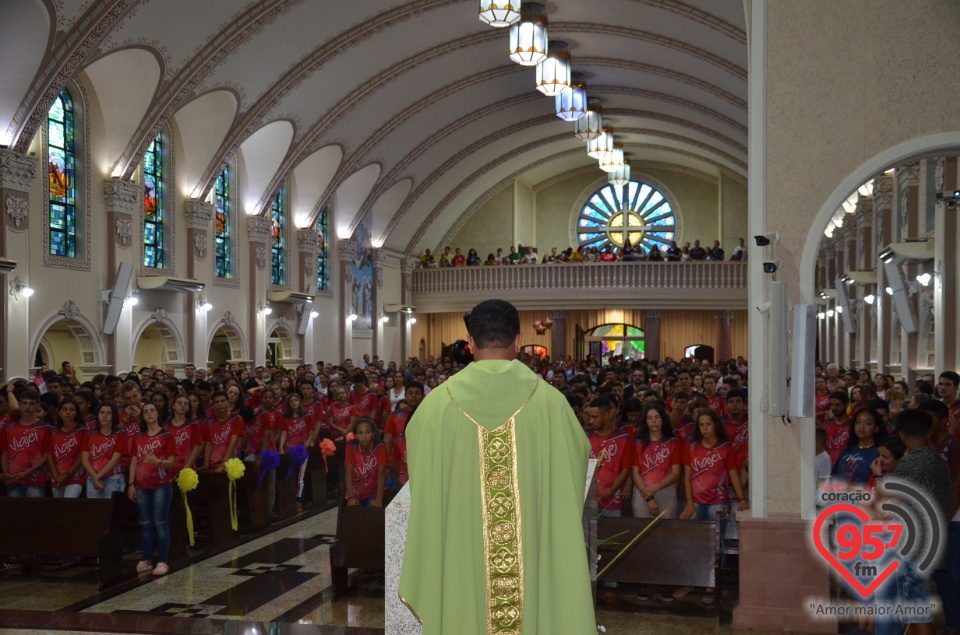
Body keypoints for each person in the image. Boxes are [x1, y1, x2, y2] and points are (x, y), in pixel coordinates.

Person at [399, 299, 595, 634]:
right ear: (519, 341)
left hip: (461, 562)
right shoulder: (552, 405)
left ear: (470, 343)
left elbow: (423, 483)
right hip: (532, 560)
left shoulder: (434, 409)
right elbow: (574, 474)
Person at [873, 409, 951, 635]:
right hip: (932, 540)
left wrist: (878, 477)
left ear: (901, 435)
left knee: (918, 613)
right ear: (929, 431)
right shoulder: (937, 459)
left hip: (913, 545)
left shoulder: (909, 465)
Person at [127, 403, 177, 577]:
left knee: (160, 522)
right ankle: (147, 559)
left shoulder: (166, 436)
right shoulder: (138, 436)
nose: (149, 414)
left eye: (152, 411)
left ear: (158, 414)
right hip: (141, 485)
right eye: (146, 411)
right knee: (145, 523)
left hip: (161, 485)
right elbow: (134, 461)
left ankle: (163, 560)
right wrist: (131, 484)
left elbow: (172, 462)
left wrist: (158, 462)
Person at [1, 389, 51, 497]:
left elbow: (46, 456)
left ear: (37, 405)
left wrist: (27, 473)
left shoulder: (45, 429)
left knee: (35, 511)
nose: (27, 407)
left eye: (31, 403)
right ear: (19, 404)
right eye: (24, 403)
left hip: (35, 479)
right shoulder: (8, 428)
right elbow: (5, 452)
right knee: (14, 511)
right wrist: (6, 472)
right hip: (13, 478)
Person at [81, 402, 126, 498]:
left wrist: (96, 478)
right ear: (97, 414)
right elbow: (84, 460)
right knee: (94, 511)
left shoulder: (120, 434)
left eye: (108, 413)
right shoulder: (89, 433)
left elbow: (115, 460)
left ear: (114, 416)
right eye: (102, 412)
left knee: (111, 510)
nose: (104, 416)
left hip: (113, 477)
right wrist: (94, 478)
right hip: (92, 477)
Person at [344, 416, 387, 507]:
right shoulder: (351, 446)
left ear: (373, 433)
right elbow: (348, 472)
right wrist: (350, 496)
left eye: (367, 432)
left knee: (370, 512)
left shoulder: (380, 446)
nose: (364, 437)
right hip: (356, 492)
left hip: (374, 491)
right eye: (360, 433)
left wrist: (378, 499)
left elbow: (382, 472)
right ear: (355, 435)